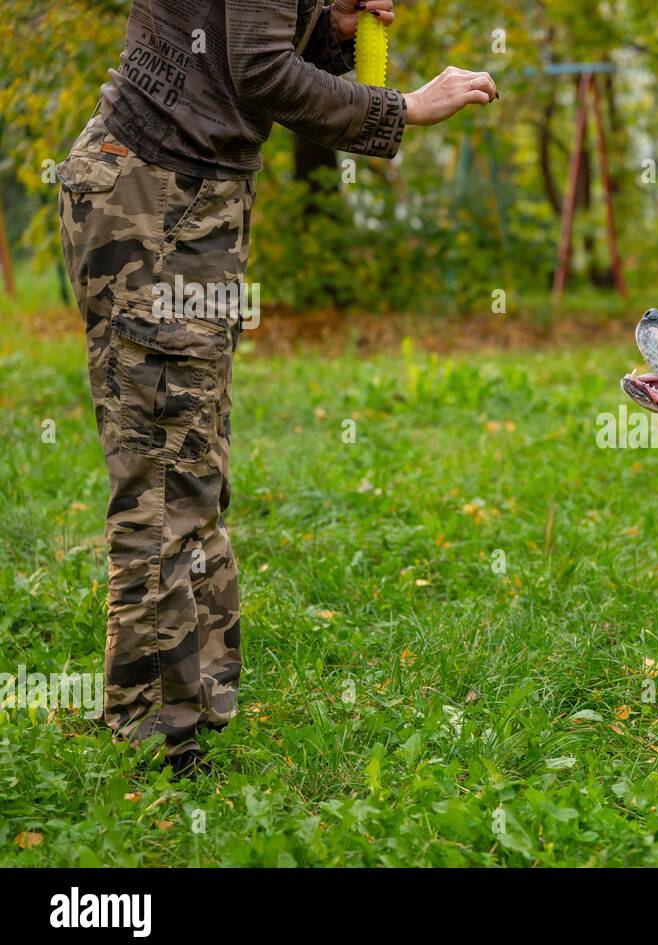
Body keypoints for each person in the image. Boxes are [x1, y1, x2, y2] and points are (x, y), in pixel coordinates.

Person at [57, 0, 497, 772]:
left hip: (182, 197)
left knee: (187, 460)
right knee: (166, 472)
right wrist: (404, 107)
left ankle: (167, 705)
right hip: (156, 202)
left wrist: (329, 27)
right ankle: (158, 733)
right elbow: (256, 70)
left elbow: (236, 53)